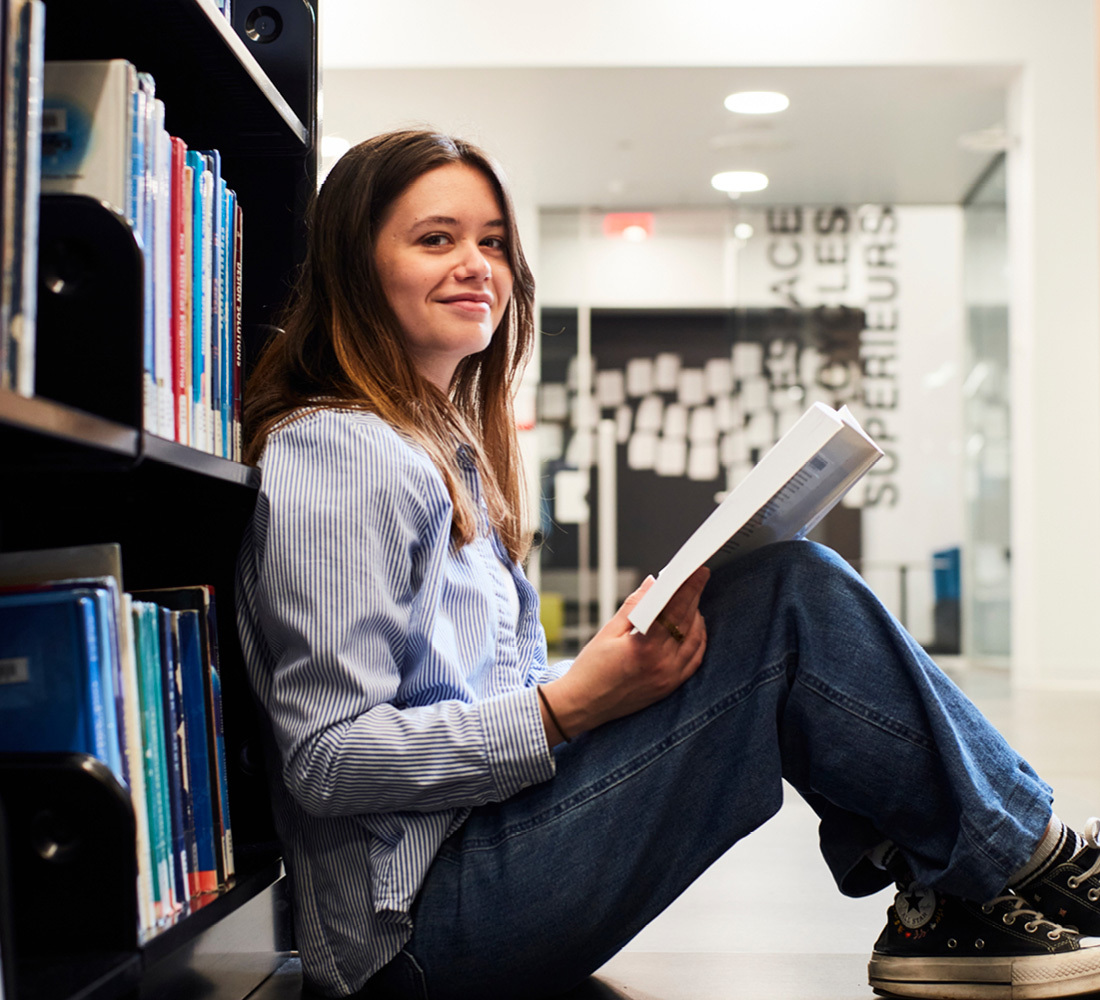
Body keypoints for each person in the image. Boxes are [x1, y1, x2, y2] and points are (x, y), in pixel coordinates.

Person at [235, 128, 1100, 1000]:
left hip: (476, 862)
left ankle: (969, 893)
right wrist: (567, 707)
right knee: (789, 597)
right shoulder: (339, 449)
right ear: (356, 265)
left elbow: (459, 703)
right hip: (420, 935)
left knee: (769, 587)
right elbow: (328, 759)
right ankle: (1037, 867)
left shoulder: (439, 449)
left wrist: (603, 668)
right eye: (436, 238)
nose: (477, 265)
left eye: (493, 241)